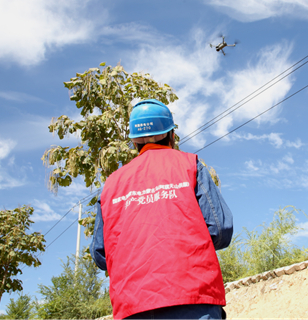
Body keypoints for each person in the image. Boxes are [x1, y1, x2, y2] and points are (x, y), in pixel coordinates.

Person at [91, 99, 233, 319]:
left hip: (132, 306)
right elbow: (221, 230)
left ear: (134, 141)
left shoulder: (111, 185)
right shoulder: (190, 165)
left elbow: (100, 254)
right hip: (193, 297)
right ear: (172, 135)